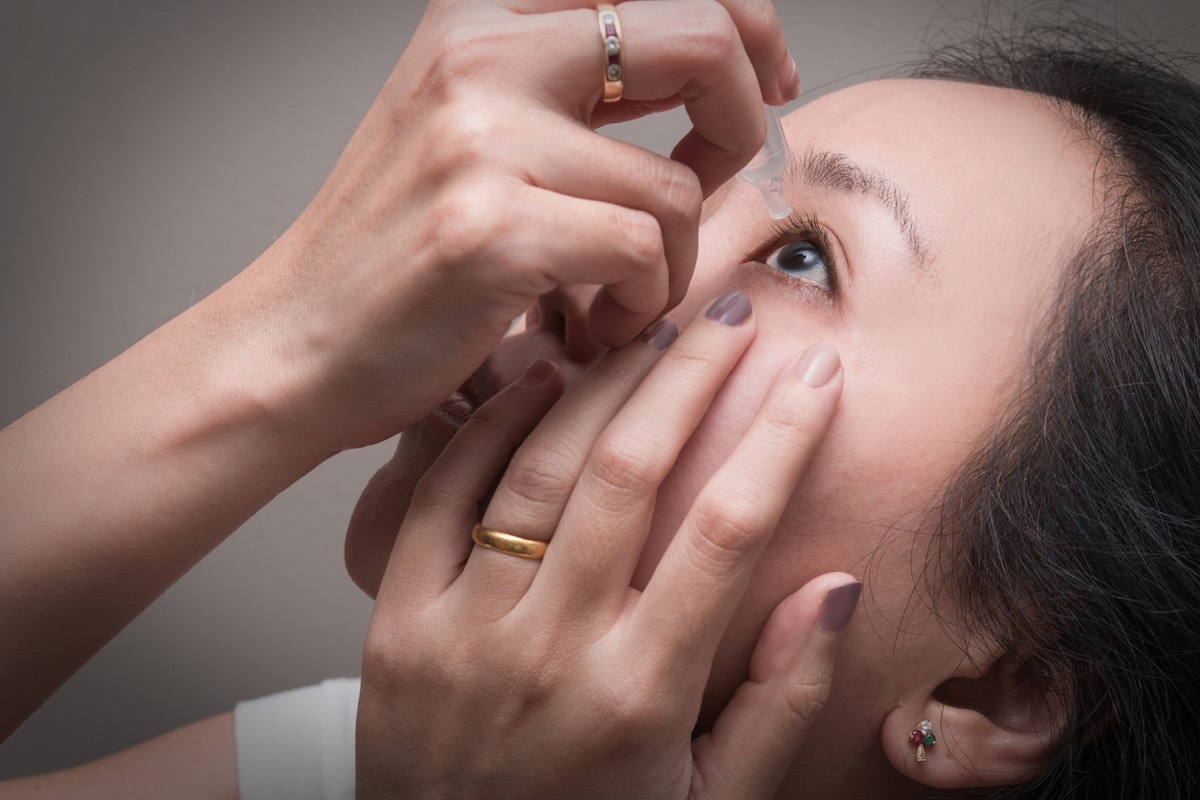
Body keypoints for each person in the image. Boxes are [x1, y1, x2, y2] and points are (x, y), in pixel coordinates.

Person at [2, 4, 1198, 800]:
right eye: (705, 199)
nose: (598, 271)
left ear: (994, 689)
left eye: (800, 257)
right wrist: (288, 340)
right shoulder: (387, 756)